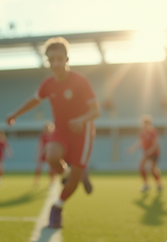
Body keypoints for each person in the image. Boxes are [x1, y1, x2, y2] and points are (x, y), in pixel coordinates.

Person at [6, 37, 98, 229]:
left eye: (59, 58)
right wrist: (14, 114)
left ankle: (58, 206)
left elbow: (96, 111)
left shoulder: (80, 81)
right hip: (62, 130)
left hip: (83, 132)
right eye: (51, 60)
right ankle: (72, 173)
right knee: (51, 157)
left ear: (67, 59)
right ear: (47, 61)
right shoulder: (48, 84)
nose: (55, 63)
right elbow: (34, 100)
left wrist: (81, 120)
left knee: (73, 179)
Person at [127, 115, 163, 192]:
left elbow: (156, 144)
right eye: (143, 123)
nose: (143, 124)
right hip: (146, 152)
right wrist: (133, 148)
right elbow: (140, 142)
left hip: (154, 152)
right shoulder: (143, 132)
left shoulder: (153, 132)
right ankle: (146, 185)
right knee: (141, 166)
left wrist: (150, 151)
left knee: (152, 169)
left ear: (149, 123)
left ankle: (159, 184)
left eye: (145, 123)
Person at [33, 122, 56, 186]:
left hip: (50, 154)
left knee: (51, 169)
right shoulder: (42, 136)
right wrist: (37, 154)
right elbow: (39, 145)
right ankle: (36, 182)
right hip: (43, 154)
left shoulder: (53, 135)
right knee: (39, 168)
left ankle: (52, 182)